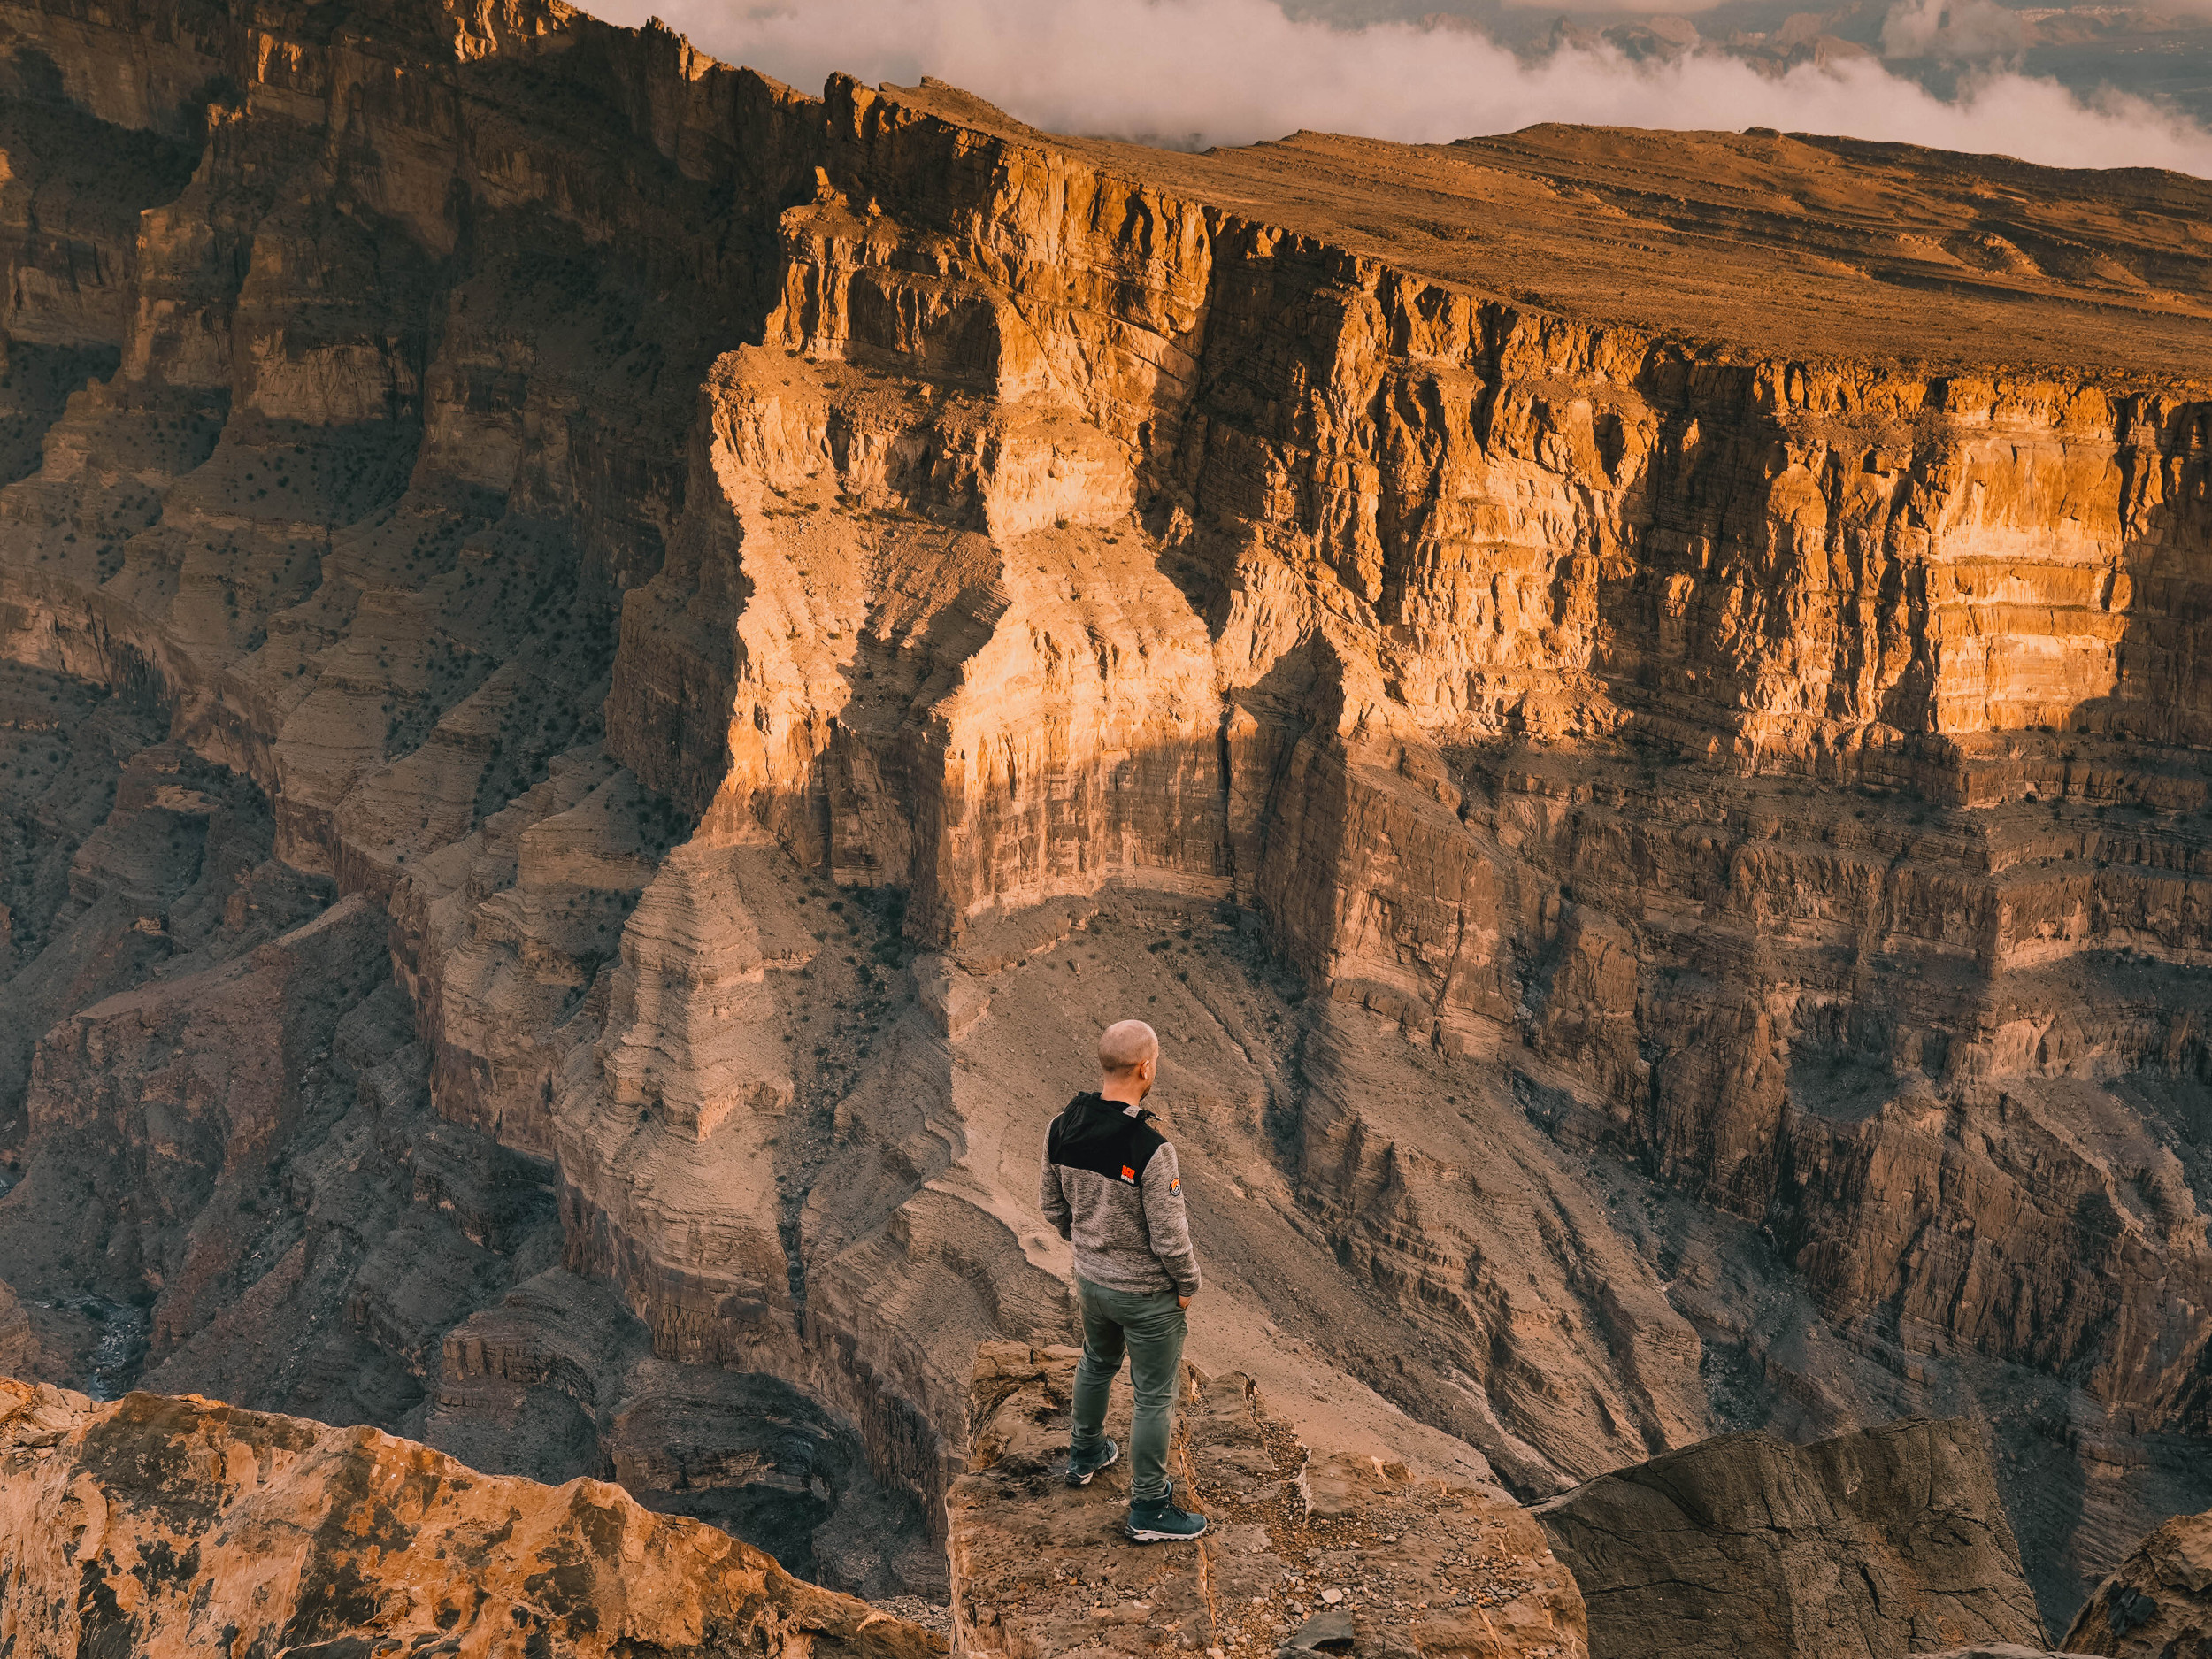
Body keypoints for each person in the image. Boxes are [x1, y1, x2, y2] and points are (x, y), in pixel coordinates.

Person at [1038, 1018, 1207, 1543]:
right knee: (1155, 1396)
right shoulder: (1151, 1149)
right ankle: (1150, 1507)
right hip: (1146, 1296)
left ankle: (1084, 1453)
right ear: (1146, 1067)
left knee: (1096, 1362)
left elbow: (1051, 1206)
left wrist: (1088, 1246)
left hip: (1092, 1283)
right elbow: (1170, 1239)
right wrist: (1187, 1285)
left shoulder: (1061, 1125)